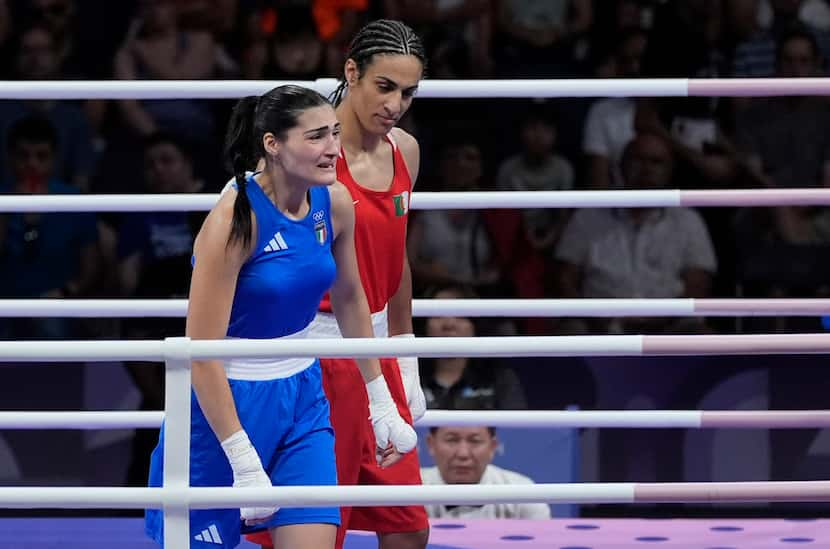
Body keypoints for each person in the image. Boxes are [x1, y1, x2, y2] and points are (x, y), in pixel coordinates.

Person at [144, 84, 416, 549]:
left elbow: (351, 298)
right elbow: (201, 353)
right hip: (221, 407)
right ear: (272, 144)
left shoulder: (334, 203)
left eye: (334, 133)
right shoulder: (236, 219)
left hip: (303, 399)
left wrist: (381, 399)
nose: (333, 148)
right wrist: (243, 458)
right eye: (315, 137)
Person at [247, 19, 430, 549]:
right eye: (384, 86)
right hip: (317, 353)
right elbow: (269, 263)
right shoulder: (304, 159)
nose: (395, 104)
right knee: (316, 529)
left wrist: (405, 349)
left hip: (377, 354)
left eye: (408, 92)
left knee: (408, 528)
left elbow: (395, 258)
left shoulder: (405, 152)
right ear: (351, 73)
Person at [421, 426, 551, 520]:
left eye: (475, 441)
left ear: (493, 446)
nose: (463, 454)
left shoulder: (523, 493)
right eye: (452, 440)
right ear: (431, 444)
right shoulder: (406, 491)